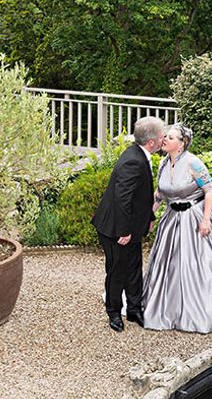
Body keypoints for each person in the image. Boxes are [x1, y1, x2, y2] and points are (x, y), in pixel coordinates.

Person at [143, 124, 212, 333]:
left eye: (170, 137)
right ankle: (169, 308)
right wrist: (149, 215)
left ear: (181, 144)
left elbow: (209, 192)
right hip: (171, 220)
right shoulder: (163, 164)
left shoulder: (194, 163)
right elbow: (160, 193)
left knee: (198, 264)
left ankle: (203, 309)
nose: (164, 139)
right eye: (165, 136)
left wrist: (206, 220)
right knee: (170, 265)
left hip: (194, 218)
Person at [91, 116, 166, 332]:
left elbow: (140, 197)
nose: (163, 140)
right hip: (116, 229)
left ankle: (134, 310)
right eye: (161, 136)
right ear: (151, 142)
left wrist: (148, 219)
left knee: (134, 268)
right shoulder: (133, 160)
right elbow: (122, 198)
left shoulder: (141, 154)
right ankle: (114, 312)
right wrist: (124, 231)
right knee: (118, 271)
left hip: (131, 227)